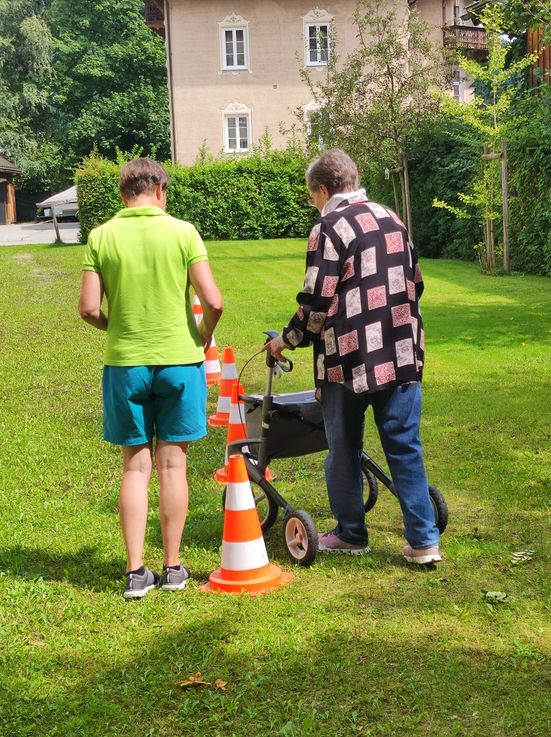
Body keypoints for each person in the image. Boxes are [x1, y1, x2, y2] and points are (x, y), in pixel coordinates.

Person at [265, 149, 441, 565]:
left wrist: (286, 340)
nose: (314, 202)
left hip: (349, 359)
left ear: (323, 190)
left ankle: (350, 534)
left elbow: (317, 302)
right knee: (405, 446)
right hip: (400, 351)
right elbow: (416, 283)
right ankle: (424, 542)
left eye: (313, 195)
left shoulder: (328, 228)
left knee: (342, 449)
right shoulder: (391, 217)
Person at [79, 157, 223, 598]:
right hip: (180, 361)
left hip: (126, 364)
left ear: (122, 193)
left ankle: (136, 572)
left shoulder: (101, 236)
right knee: (173, 465)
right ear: (160, 189)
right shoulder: (183, 232)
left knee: (135, 467)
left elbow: (88, 308)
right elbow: (214, 301)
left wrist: (116, 328)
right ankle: (173, 567)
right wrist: (203, 333)